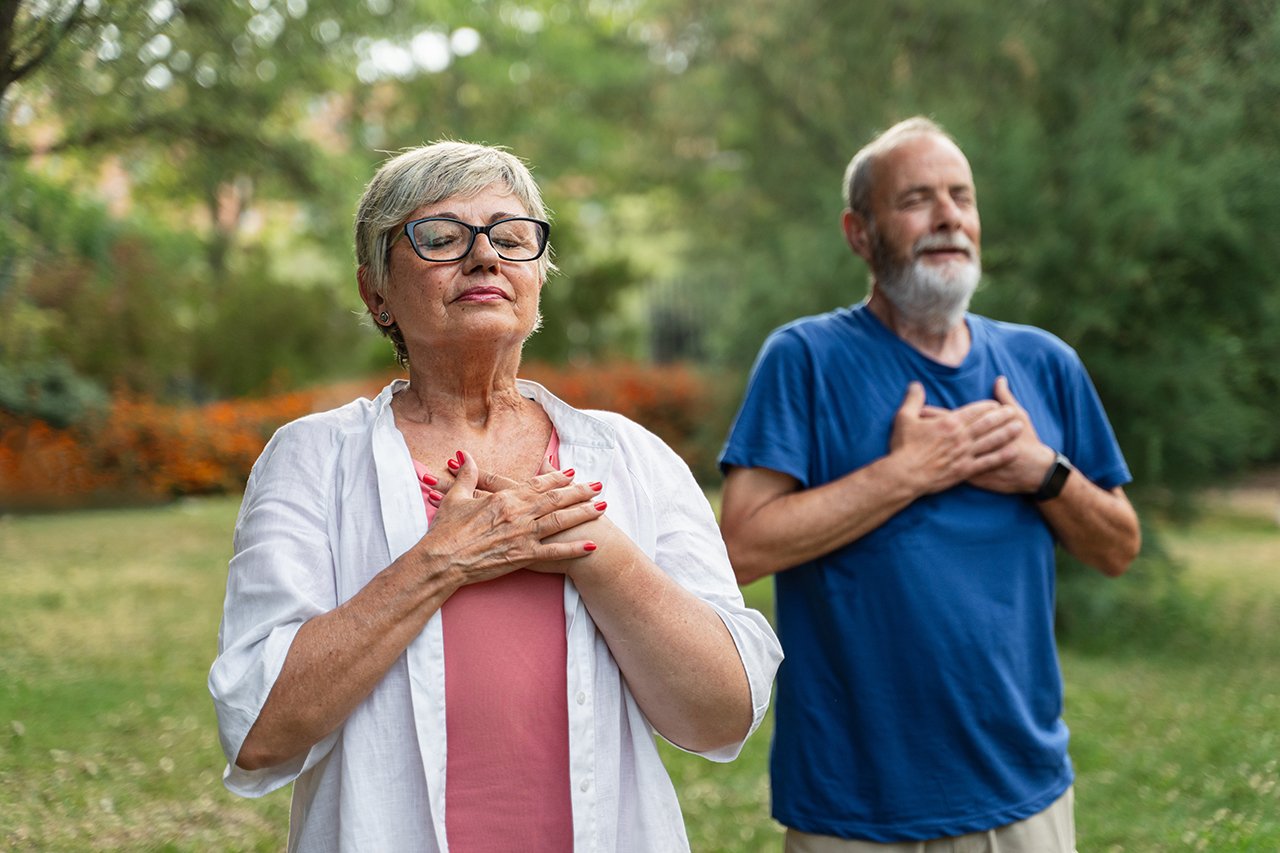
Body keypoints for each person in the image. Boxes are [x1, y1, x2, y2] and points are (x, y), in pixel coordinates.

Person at [208, 140, 782, 853]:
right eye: (441, 237)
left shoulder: (631, 456)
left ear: (537, 276)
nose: (485, 257)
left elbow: (723, 715)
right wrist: (439, 561)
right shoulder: (313, 459)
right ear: (376, 293)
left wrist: (596, 551)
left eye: (511, 238)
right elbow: (259, 729)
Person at [718, 117, 1141, 852]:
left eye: (961, 197)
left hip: (1023, 792)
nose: (948, 216)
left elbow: (1118, 546)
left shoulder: (1044, 363)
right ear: (859, 233)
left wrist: (1044, 472)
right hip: (853, 805)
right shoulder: (805, 358)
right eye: (916, 199)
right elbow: (740, 548)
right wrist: (906, 473)